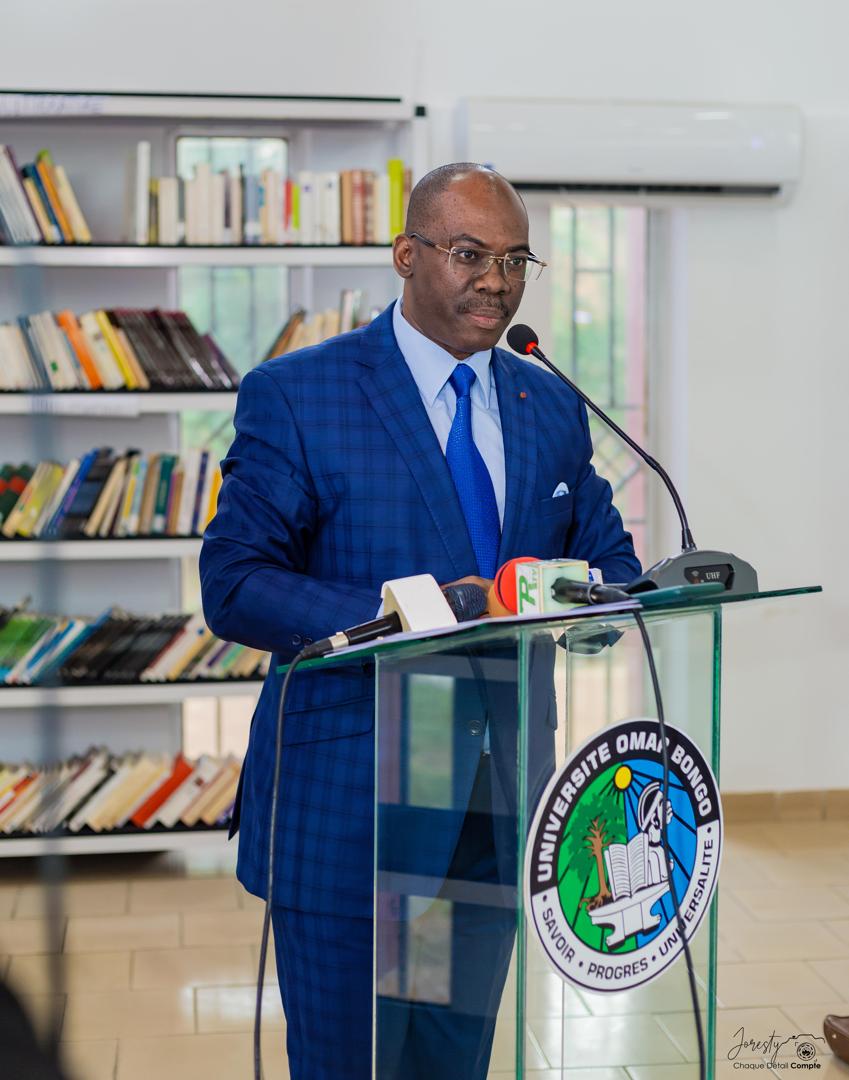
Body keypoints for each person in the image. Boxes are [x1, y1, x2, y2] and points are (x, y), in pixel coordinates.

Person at [200, 162, 641, 1079]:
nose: (497, 281)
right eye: (469, 254)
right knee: (355, 1061)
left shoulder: (548, 403)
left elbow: (611, 565)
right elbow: (235, 584)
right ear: (405, 254)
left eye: (515, 260)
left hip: (491, 803)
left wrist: (591, 599)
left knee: (447, 1059)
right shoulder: (301, 393)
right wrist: (410, 613)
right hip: (357, 807)